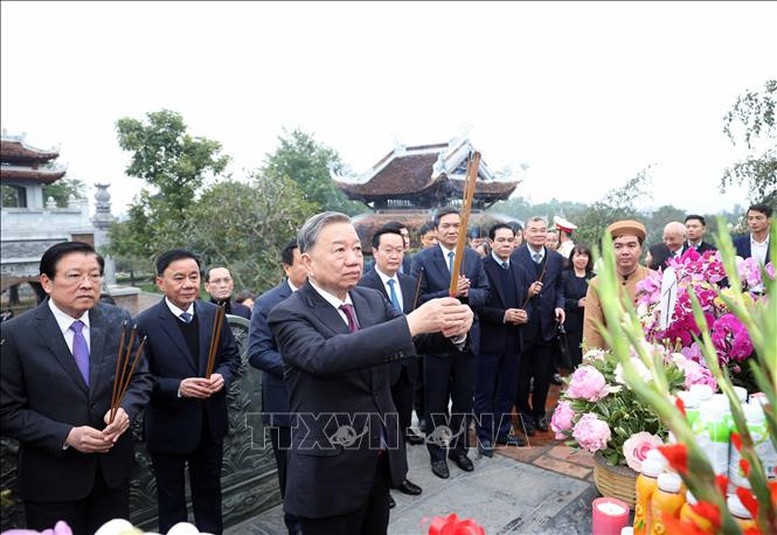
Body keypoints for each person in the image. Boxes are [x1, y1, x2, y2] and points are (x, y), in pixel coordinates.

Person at [266, 211, 473, 535]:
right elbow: (324, 357)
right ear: (306, 262)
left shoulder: (370, 299)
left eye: (355, 249)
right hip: (328, 470)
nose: (352, 259)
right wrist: (411, 322)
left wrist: (453, 327)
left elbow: (415, 340)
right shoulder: (288, 313)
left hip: (378, 456)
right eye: (339, 250)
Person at [0, 242, 152, 535]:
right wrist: (67, 435)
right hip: (52, 479)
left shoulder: (117, 320)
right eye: (74, 276)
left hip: (112, 473)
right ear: (46, 282)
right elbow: (6, 411)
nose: (87, 284)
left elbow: (140, 379)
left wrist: (125, 411)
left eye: (94, 276)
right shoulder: (15, 335)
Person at [135, 250, 242, 535]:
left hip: (210, 423)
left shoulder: (214, 314)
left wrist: (222, 376)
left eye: (193, 276)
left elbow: (232, 359)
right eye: (179, 277)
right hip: (168, 426)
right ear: (160, 282)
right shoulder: (144, 323)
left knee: (210, 496)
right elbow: (139, 379)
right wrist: (177, 388)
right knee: (170, 502)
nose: (188, 284)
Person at [410, 206, 489, 480]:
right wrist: (450, 292)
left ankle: (459, 450)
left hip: (467, 343)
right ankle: (437, 454)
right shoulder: (421, 259)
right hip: (436, 345)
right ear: (436, 229)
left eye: (457, 225)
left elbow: (485, 293)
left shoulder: (473, 258)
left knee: (464, 401)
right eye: (447, 226)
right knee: (436, 403)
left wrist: (468, 295)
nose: (453, 230)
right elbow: (418, 299)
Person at [358, 227, 425, 502]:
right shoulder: (363, 287)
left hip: (407, 367)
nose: (395, 255)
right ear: (374, 252)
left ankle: (399, 475)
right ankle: (379, 485)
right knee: (378, 430)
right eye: (388, 249)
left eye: (400, 250)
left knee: (399, 425)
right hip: (378, 371)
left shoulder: (411, 282)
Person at [247, 240, 307, 535]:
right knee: (291, 470)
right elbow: (257, 352)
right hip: (285, 404)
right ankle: (295, 526)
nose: (310, 269)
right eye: (303, 263)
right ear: (287, 267)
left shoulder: (324, 296)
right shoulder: (269, 302)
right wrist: (302, 364)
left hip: (324, 402)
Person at [474, 223, 529, 457]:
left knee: (507, 389)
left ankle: (503, 430)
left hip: (514, 341)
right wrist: (503, 316)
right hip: (489, 340)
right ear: (491, 242)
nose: (507, 244)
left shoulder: (519, 269)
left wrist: (526, 315)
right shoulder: (481, 267)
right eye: (502, 240)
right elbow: (476, 306)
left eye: (510, 240)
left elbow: (528, 302)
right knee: (485, 391)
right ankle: (484, 436)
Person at [511, 216, 566, 436]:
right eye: (534, 230)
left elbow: (559, 289)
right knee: (522, 377)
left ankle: (539, 413)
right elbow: (509, 291)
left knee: (543, 377)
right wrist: (526, 292)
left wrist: (560, 306)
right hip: (523, 329)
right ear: (525, 233)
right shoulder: (515, 257)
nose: (539, 234)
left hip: (547, 328)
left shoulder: (556, 258)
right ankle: (523, 414)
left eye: (543, 230)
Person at [582, 220, 653, 351]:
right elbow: (592, 328)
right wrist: (591, 365)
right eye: (618, 246)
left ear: (641, 249)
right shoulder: (597, 283)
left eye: (631, 245)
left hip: (647, 359)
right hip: (610, 360)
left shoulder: (654, 280)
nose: (625, 251)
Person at [561, 244, 595, 368]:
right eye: (578, 255)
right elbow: (559, 299)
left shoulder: (594, 278)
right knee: (570, 362)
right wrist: (577, 303)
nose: (581, 259)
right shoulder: (564, 276)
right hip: (569, 324)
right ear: (572, 258)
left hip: (588, 324)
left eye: (585, 255)